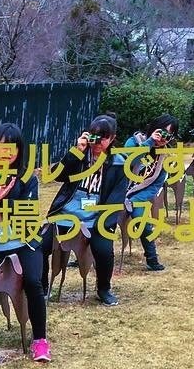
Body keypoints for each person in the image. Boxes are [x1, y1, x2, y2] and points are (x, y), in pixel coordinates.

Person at [0, 122, 50, 362]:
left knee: (34, 283)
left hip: (23, 241)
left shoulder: (27, 179)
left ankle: (40, 340)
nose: (4, 153)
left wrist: (2, 201)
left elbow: (27, 214)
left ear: (19, 150)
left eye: (11, 148)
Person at [45, 112, 129, 307]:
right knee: (40, 246)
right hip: (67, 213)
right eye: (94, 136)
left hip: (97, 217)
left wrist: (105, 225)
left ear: (112, 139)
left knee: (104, 250)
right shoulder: (80, 155)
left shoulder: (119, 163)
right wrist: (76, 150)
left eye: (103, 138)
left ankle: (103, 289)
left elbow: (116, 198)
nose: (97, 142)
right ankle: (42, 287)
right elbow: (58, 175)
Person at [119, 114, 177, 273]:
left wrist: (134, 197)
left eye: (168, 135)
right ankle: (82, 256)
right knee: (97, 217)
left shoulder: (166, 154)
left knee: (142, 220)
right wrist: (150, 142)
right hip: (118, 188)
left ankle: (152, 259)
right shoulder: (135, 141)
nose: (163, 138)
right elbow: (126, 161)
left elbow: (156, 184)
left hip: (140, 194)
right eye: (162, 132)